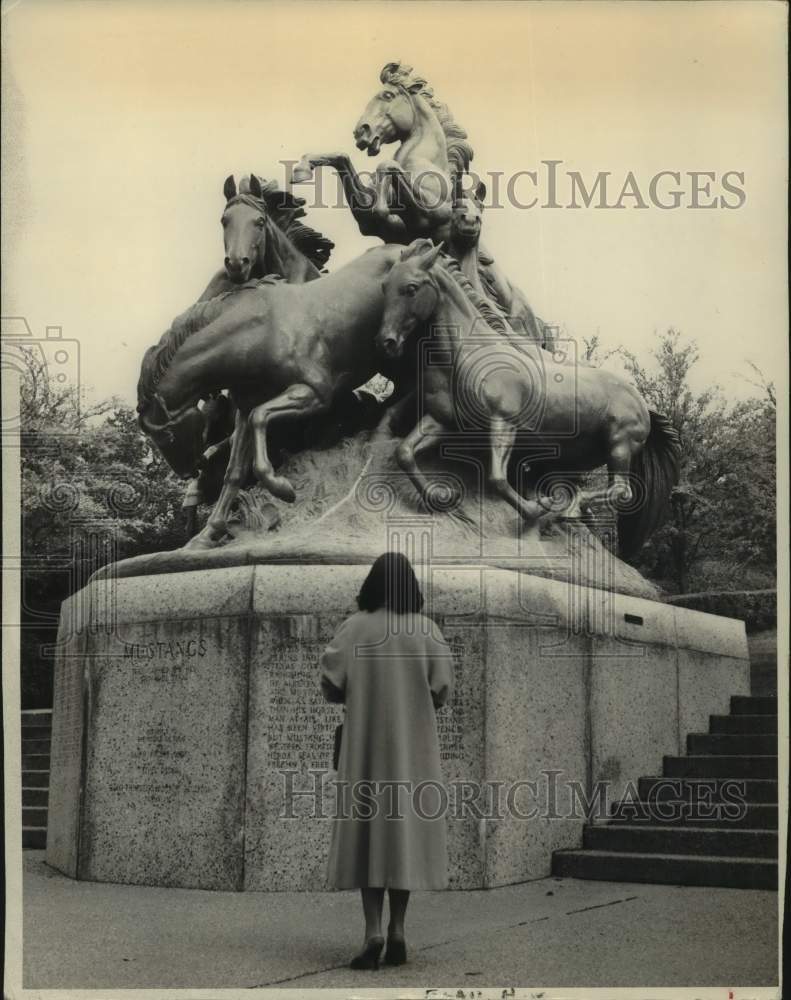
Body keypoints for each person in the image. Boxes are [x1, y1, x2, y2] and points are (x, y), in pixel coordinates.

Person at [320, 552, 454, 970]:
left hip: (365, 750)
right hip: (413, 752)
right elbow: (441, 690)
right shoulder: (426, 630)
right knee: (404, 838)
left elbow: (330, 684)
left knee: (367, 837)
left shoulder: (354, 627)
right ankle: (398, 929)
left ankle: (371, 930)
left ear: (371, 585)